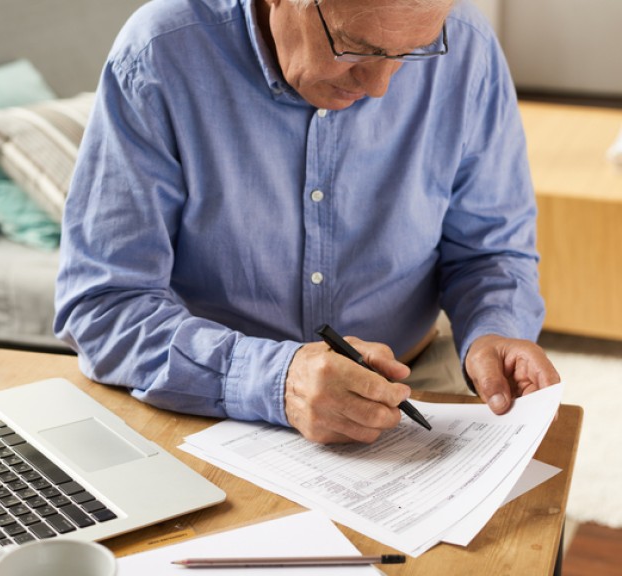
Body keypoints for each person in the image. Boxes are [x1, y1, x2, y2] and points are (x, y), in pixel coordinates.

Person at [54, 0, 561, 444]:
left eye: (412, 51)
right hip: (210, 403)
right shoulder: (158, 55)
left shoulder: (467, 47)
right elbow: (103, 305)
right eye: (354, 46)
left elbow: (491, 252)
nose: (381, 87)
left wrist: (496, 330)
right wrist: (277, 379)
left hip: (413, 383)